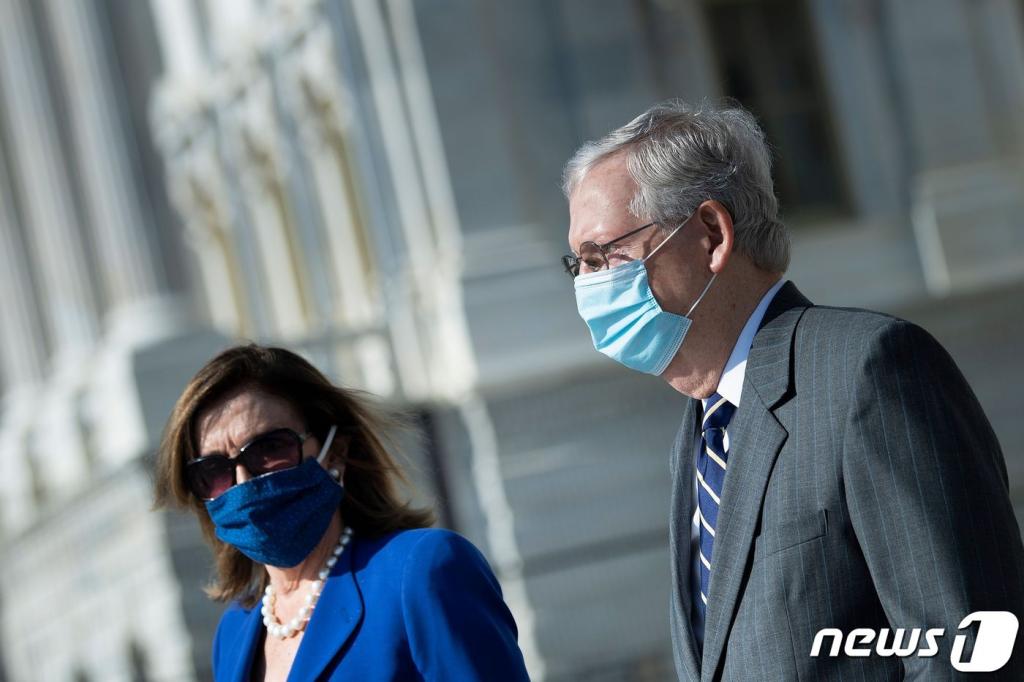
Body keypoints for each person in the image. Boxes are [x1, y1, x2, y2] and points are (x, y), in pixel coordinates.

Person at [561, 100, 1024, 680]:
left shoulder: (867, 371)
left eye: (605, 256)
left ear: (711, 235)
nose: (589, 285)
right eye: (579, 265)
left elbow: (970, 653)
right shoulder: (701, 436)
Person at [154, 344, 530, 681]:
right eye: (214, 470)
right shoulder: (233, 633)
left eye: (270, 449)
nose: (243, 482)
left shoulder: (422, 571)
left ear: (335, 452)